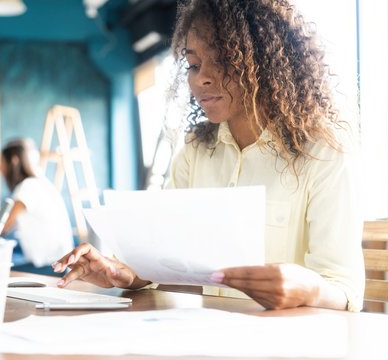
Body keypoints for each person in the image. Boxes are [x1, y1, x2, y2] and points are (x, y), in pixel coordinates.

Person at [52, 0, 365, 311]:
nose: (201, 78)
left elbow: (344, 289)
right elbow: (166, 259)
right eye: (193, 64)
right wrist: (123, 271)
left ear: (264, 62)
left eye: (223, 59)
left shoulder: (322, 152)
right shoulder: (196, 151)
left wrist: (306, 289)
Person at [0, 138, 74, 274]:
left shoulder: (29, 186)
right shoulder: (39, 184)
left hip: (51, 268)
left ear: (14, 161)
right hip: (56, 265)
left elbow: (0, 227)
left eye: (2, 163)